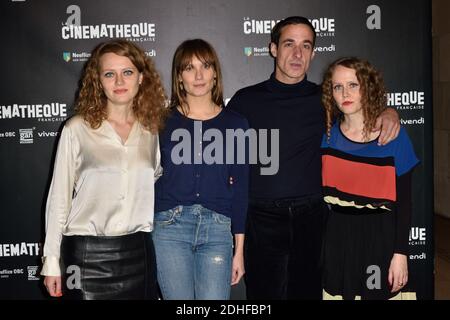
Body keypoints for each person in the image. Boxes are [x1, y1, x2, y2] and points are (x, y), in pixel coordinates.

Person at [227, 16, 400, 300]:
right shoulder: (246, 100)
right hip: (261, 216)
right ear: (273, 49)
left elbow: (364, 111)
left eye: (306, 46)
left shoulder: (327, 98)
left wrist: (390, 112)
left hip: (312, 216)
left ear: (313, 53)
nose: (297, 54)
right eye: (289, 44)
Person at [41, 39, 167, 300]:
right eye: (110, 74)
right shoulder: (76, 129)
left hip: (138, 253)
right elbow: (59, 200)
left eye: (127, 72)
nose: (119, 81)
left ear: (141, 78)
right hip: (86, 255)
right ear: (98, 81)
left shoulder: (150, 130)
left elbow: (153, 175)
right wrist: (51, 262)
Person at [152, 39, 249, 300]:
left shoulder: (235, 124)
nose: (198, 75)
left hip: (218, 229)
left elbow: (241, 189)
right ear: (179, 77)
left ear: (215, 73)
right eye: (189, 68)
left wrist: (238, 250)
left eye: (205, 66)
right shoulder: (161, 122)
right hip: (170, 228)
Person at [320, 57, 419, 300]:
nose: (345, 92)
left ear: (368, 87)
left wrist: (401, 254)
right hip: (337, 241)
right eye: (338, 86)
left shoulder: (394, 137)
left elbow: (404, 203)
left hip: (381, 242)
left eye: (354, 85)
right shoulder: (327, 137)